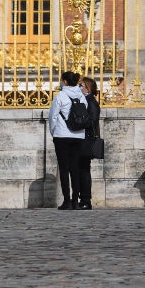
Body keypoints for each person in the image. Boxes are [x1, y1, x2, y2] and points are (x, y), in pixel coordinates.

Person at [48, 71, 88, 210]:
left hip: (62, 136)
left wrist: (53, 132)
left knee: (64, 169)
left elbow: (53, 117)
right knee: (75, 169)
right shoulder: (81, 96)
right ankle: (76, 201)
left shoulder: (60, 96)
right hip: (78, 136)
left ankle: (67, 201)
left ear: (64, 81)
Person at [78, 76, 101, 210]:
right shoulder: (84, 100)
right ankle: (82, 199)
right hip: (81, 138)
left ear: (87, 88)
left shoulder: (91, 101)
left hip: (87, 139)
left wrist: (79, 121)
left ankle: (86, 199)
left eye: (81, 85)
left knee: (84, 170)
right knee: (80, 170)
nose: (79, 87)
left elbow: (92, 121)